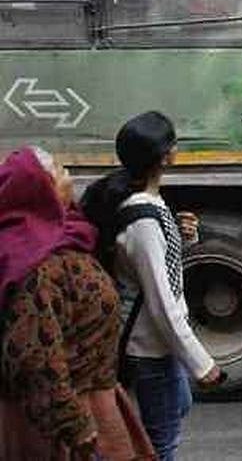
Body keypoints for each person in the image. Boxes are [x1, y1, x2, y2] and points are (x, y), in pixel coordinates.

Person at [81, 112, 223, 461]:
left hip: (158, 345)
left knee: (177, 407)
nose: (177, 147)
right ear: (164, 156)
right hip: (150, 348)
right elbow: (162, 301)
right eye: (173, 142)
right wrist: (203, 364)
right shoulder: (143, 219)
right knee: (164, 443)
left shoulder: (149, 204)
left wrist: (180, 238)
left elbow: (154, 268)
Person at [0, 146, 155, 460]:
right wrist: (76, 427)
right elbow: (35, 357)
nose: (68, 175)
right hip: (67, 424)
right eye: (59, 170)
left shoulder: (60, 238)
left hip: (92, 402)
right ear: (40, 189)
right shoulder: (38, 263)